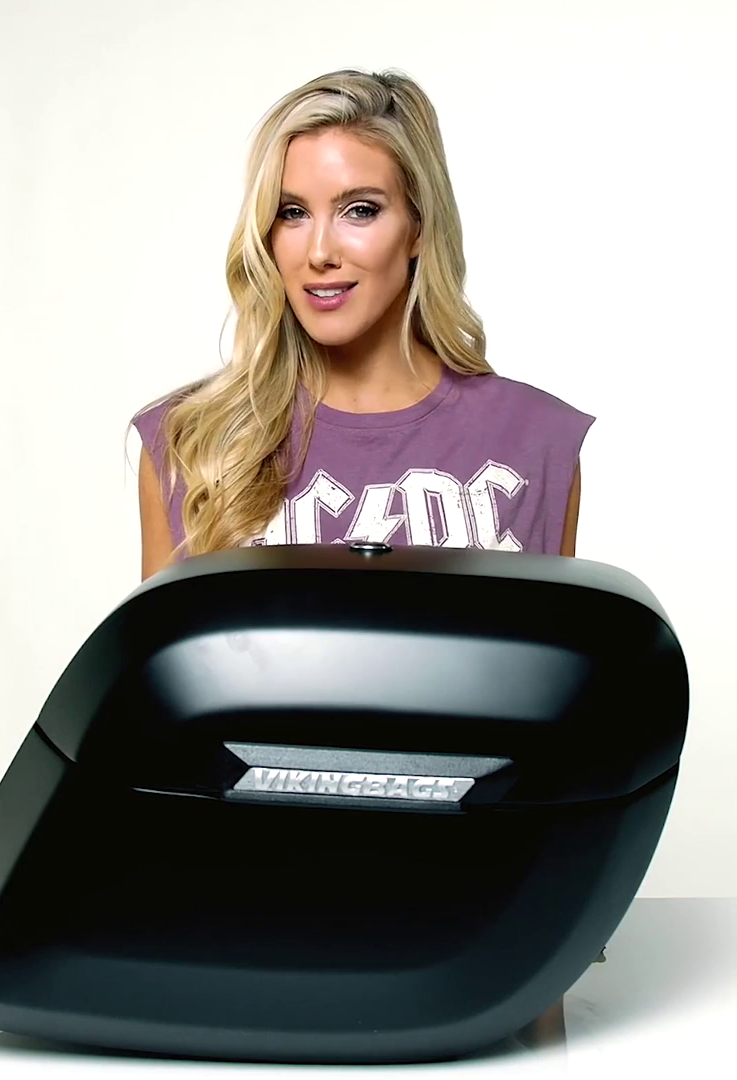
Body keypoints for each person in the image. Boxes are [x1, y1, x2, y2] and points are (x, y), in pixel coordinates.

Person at [128, 67, 602, 1043]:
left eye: (359, 210)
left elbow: (549, 751)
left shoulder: (533, 443)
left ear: (418, 227)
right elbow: (157, 740)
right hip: (237, 935)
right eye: (291, 213)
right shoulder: (190, 444)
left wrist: (537, 1012)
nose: (319, 250)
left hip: (473, 937)